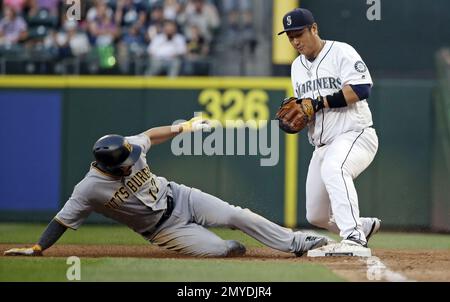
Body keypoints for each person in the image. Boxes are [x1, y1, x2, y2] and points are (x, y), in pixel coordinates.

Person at [4, 116, 327, 257]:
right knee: (219, 250)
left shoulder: (128, 145)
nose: (133, 158)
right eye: (126, 162)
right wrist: (38, 248)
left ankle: (297, 242)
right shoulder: (88, 189)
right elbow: (61, 220)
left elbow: (149, 135)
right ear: (109, 166)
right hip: (163, 230)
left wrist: (182, 127)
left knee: (236, 214)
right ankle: (226, 247)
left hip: (180, 196)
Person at [278, 8, 381, 248]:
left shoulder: (341, 51)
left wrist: (319, 102)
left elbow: (362, 88)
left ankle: (354, 236)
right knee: (316, 215)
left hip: (355, 134)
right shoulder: (296, 67)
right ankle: (362, 226)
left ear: (314, 29)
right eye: (290, 36)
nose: (295, 41)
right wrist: (298, 117)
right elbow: (304, 107)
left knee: (336, 168)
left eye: (299, 34)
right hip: (321, 145)